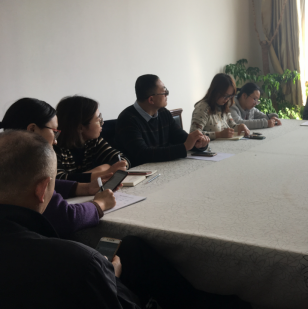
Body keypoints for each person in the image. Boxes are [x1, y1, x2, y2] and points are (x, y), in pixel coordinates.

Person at [0, 130, 252, 309]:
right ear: (42, 190)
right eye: (54, 185)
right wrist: (110, 278)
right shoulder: (81, 264)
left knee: (131, 247)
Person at [0, 98, 117, 238]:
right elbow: (67, 218)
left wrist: (84, 188)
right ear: (32, 129)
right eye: (54, 131)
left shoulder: (7, 154)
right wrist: (100, 204)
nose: (56, 141)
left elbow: (48, 184)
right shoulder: (26, 164)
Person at [116, 74, 210, 167]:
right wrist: (184, 147)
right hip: (141, 172)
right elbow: (143, 154)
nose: (167, 95)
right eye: (164, 92)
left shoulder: (163, 112)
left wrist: (199, 143)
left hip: (164, 167)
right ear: (151, 99)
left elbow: (182, 138)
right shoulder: (127, 119)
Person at [55, 96, 129, 182]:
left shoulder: (92, 141)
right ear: (80, 128)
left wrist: (100, 170)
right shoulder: (54, 147)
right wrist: (106, 172)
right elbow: (59, 180)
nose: (102, 123)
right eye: (98, 120)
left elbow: (123, 160)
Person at [190, 73, 250, 140]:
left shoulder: (223, 106)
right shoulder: (203, 108)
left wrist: (240, 126)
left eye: (230, 96)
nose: (227, 99)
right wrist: (219, 134)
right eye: (225, 95)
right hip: (208, 146)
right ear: (215, 91)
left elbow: (232, 125)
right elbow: (194, 135)